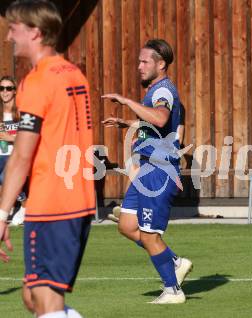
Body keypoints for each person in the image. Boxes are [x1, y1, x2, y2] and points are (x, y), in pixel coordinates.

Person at [0, 1, 96, 317]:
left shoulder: (38, 81)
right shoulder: (73, 73)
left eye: (14, 29)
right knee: (33, 297)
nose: (9, 36)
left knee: (46, 301)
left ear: (36, 32)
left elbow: (22, 155)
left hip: (52, 204)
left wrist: (1, 215)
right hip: (77, 201)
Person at [102, 38, 192, 304]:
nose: (139, 66)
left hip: (158, 171)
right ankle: (174, 261)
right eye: (139, 61)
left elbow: (161, 118)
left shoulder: (163, 91)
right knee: (128, 225)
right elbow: (157, 125)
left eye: (145, 62)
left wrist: (125, 100)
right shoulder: (156, 90)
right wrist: (125, 122)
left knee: (151, 235)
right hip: (147, 171)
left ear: (161, 64)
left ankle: (172, 290)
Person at [0, 75, 27, 226]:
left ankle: (24, 205)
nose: (5, 92)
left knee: (6, 176)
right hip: (1, 154)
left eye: (8, 88)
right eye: (2, 88)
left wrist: (9, 137)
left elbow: (29, 136)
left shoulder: (21, 112)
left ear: (14, 91)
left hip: (17, 156)